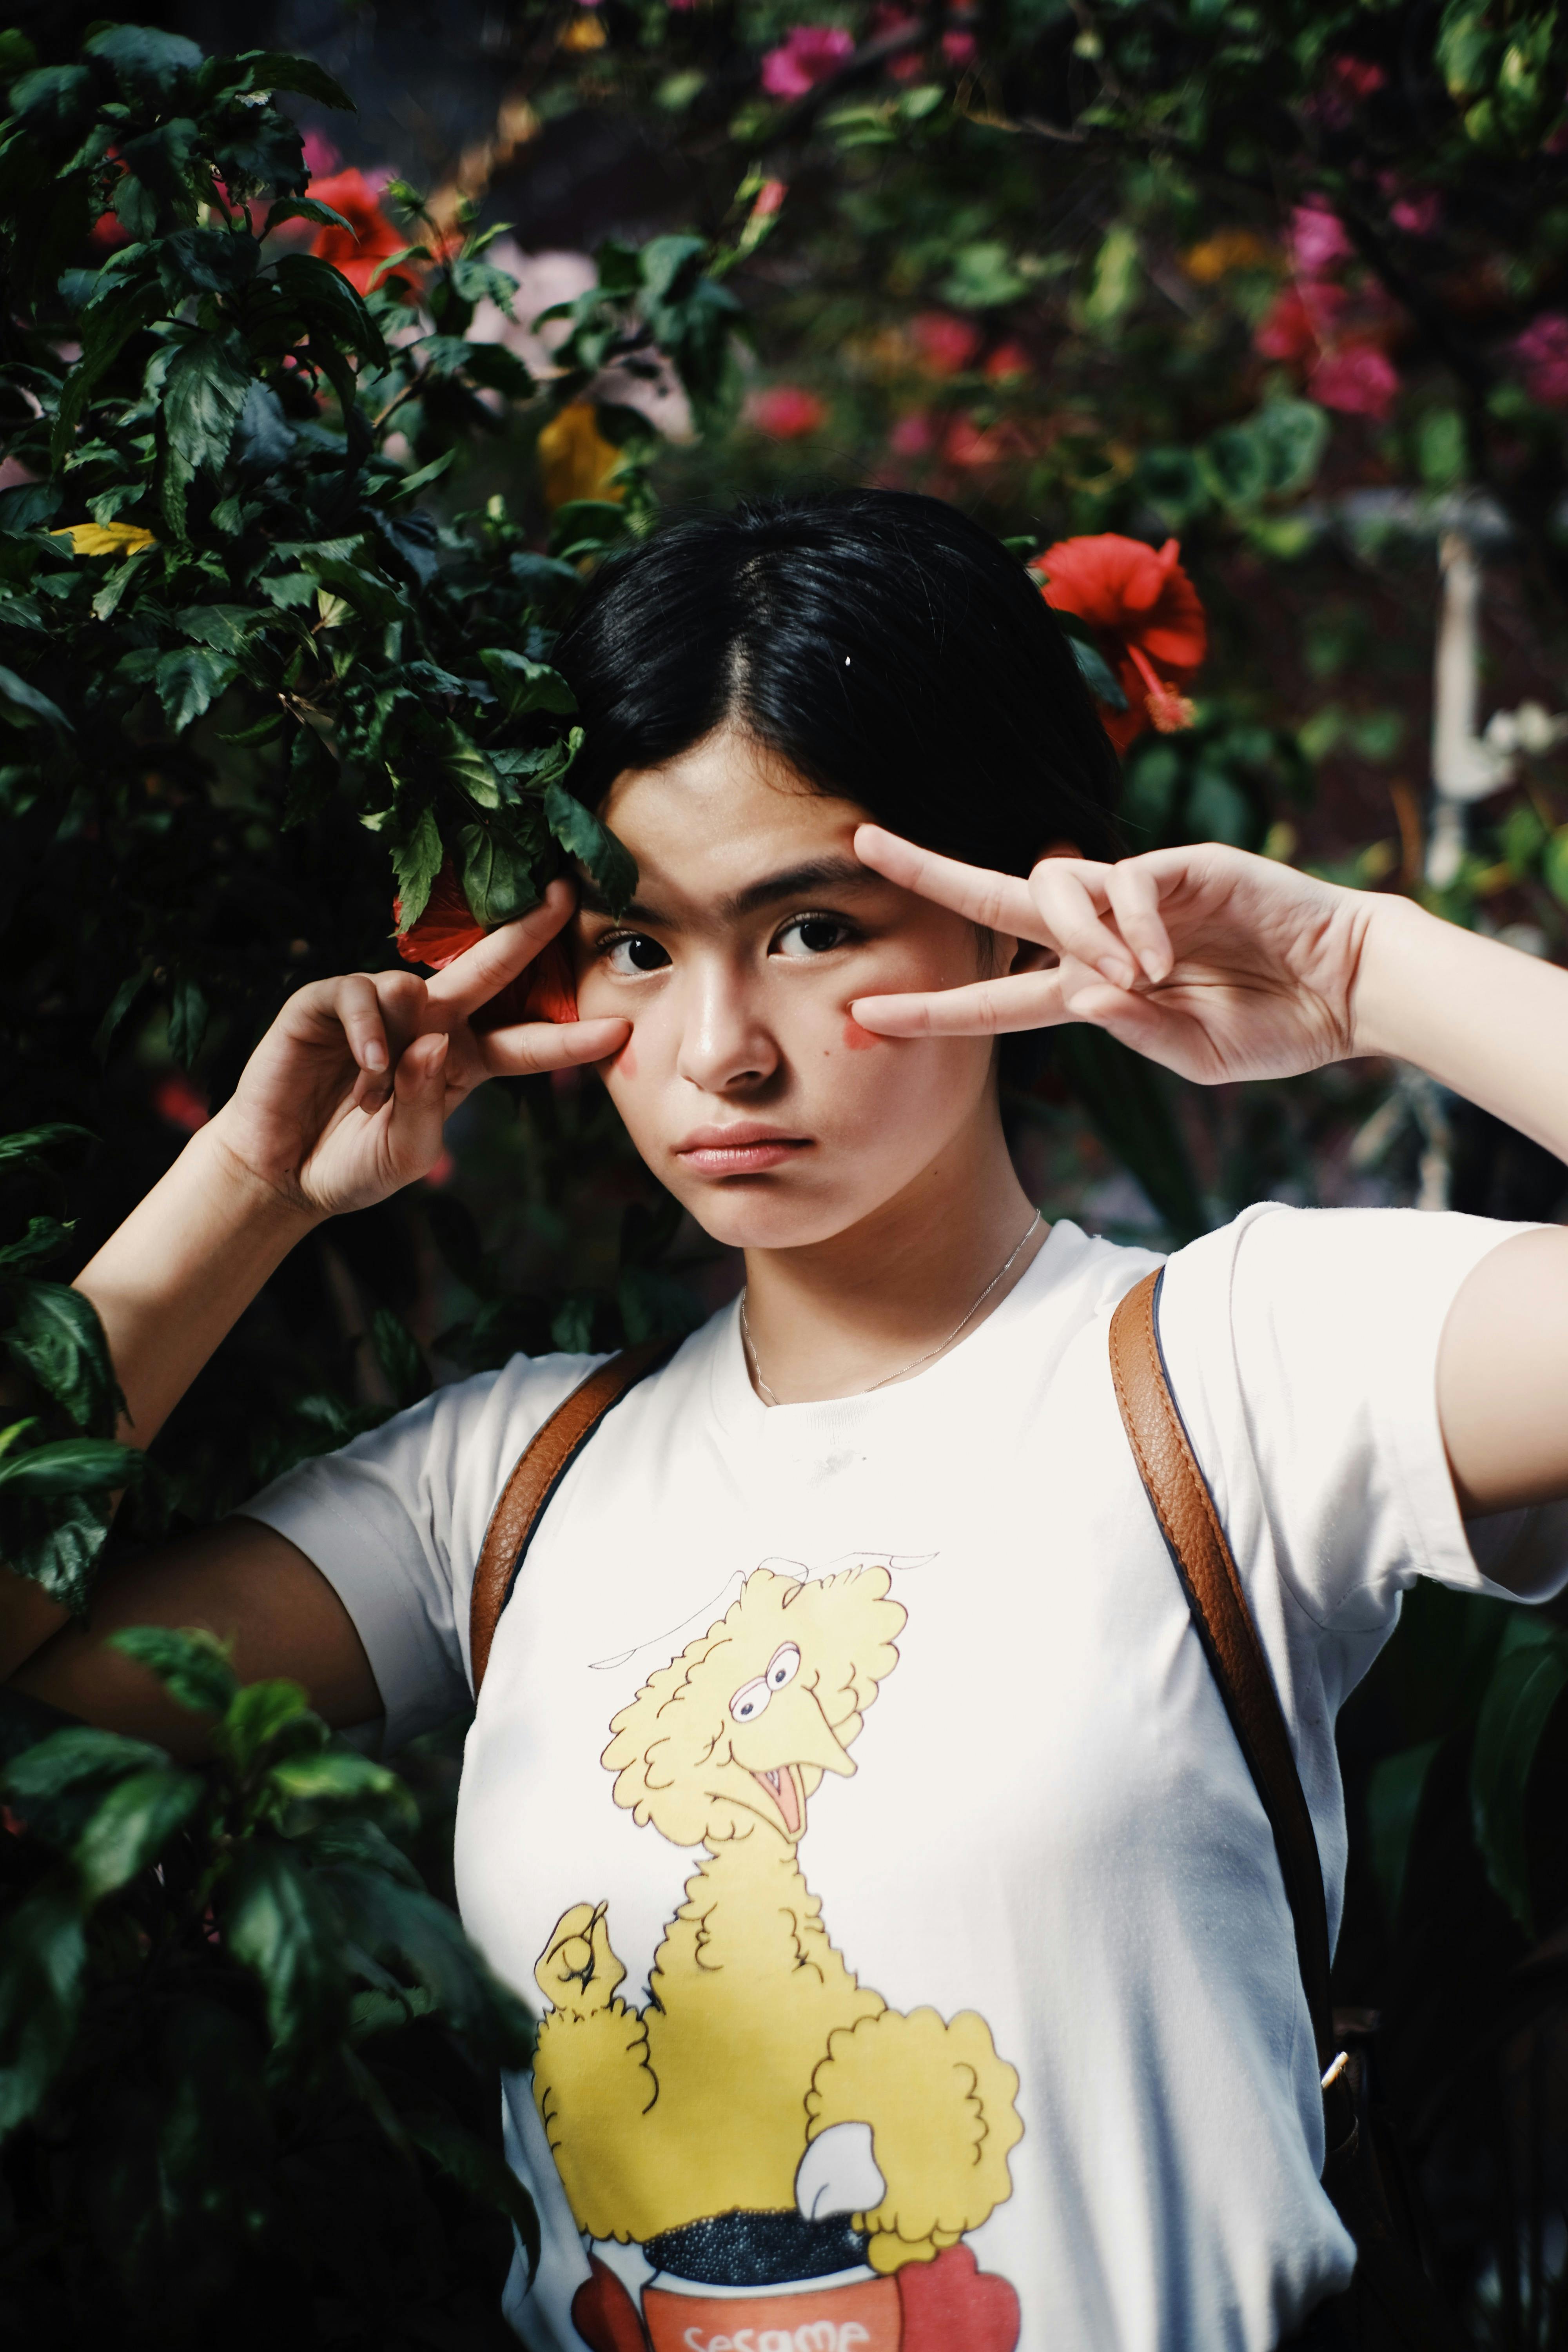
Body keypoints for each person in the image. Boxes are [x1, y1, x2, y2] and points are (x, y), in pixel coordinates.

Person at [6, 489, 1568, 2352]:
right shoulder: (499, 1490)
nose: (719, 1050)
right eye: (644, 947)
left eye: (811, 927)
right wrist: (248, 1187)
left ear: (1028, 907)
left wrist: (1355, 972)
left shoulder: (1237, 1366)